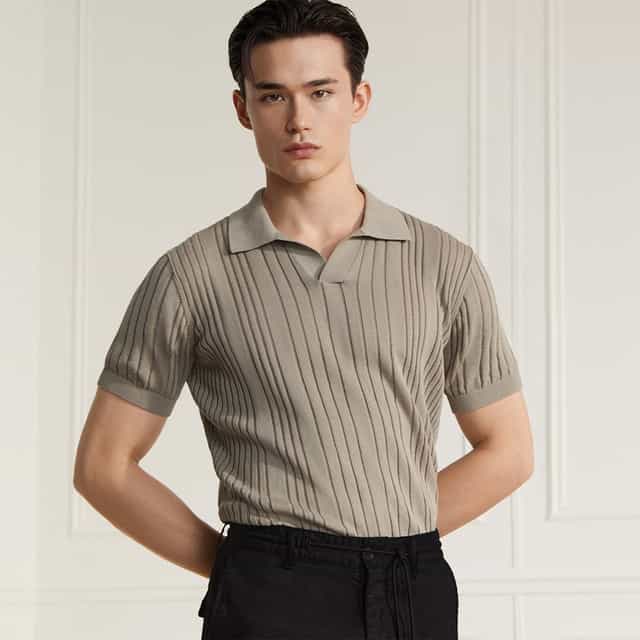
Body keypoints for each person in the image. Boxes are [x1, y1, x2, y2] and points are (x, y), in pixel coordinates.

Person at [73, 1, 534, 638]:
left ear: (358, 99)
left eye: (321, 92)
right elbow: (103, 466)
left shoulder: (443, 264)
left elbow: (508, 451)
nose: (298, 120)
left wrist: (387, 548)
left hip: (413, 586)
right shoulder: (190, 275)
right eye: (273, 96)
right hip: (270, 591)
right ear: (243, 109)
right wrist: (244, 569)